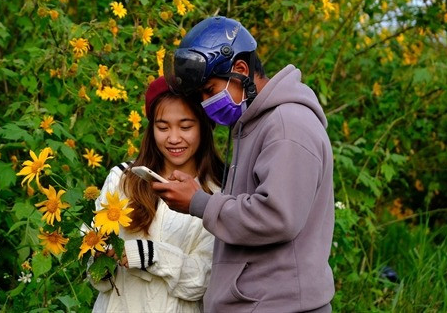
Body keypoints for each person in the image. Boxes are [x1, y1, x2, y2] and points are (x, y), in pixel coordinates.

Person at [153, 16, 335, 312]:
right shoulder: (254, 125)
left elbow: (277, 216)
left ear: (240, 70)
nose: (205, 103)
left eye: (209, 90)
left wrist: (199, 202)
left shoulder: (287, 125)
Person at [90, 76, 225, 312]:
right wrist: (99, 255)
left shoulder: (216, 196)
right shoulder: (123, 179)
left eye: (185, 126)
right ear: (151, 129)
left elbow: (205, 281)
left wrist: (151, 255)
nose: (173, 138)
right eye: (163, 127)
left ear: (204, 127)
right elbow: (97, 275)